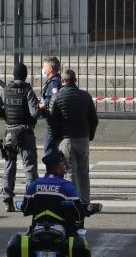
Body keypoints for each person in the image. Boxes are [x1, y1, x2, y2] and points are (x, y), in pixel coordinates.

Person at [9, 151, 90, 257]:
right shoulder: (67, 187)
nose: (65, 167)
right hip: (61, 233)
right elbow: (78, 214)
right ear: (56, 167)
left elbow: (26, 209)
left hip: (38, 231)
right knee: (80, 245)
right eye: (63, 164)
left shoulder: (34, 185)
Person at [0, 62, 40, 212]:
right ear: (25, 75)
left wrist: (5, 115)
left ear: (14, 75)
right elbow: (35, 113)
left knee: (9, 167)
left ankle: (8, 201)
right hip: (25, 134)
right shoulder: (28, 91)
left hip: (10, 135)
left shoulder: (5, 90)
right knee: (30, 167)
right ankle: (31, 200)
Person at [50, 69, 99, 207]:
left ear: (62, 81)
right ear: (75, 80)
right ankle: (84, 201)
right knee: (84, 171)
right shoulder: (86, 96)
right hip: (83, 138)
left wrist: (55, 140)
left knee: (70, 170)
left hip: (67, 140)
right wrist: (90, 136)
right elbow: (94, 120)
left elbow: (53, 121)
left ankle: (73, 201)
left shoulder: (58, 97)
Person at [39, 56, 62, 155]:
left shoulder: (54, 83)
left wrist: (42, 106)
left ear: (50, 69)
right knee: (52, 147)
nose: (43, 69)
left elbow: (54, 98)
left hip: (53, 120)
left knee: (49, 148)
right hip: (54, 119)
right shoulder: (55, 80)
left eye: (44, 66)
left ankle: (53, 169)